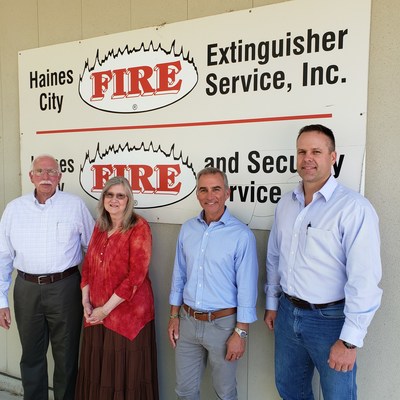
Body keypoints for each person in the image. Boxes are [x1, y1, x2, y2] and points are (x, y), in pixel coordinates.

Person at [264, 124, 383, 400]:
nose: (308, 158)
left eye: (316, 151)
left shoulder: (353, 208)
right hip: (287, 313)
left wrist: (349, 340)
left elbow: (364, 278)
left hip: (331, 322)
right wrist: (272, 304)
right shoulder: (285, 204)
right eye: (302, 151)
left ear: (333, 157)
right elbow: (274, 256)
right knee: (290, 390)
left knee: (338, 396)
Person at [0, 154, 95, 400]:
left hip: (65, 288)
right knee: (31, 356)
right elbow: (3, 257)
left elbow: (93, 250)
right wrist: (1, 300)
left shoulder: (74, 206)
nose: (46, 177)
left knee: (66, 356)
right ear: (31, 176)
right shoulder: (14, 209)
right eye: (40, 171)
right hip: (26, 289)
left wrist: (90, 293)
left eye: (51, 172)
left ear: (59, 177)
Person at [168, 167, 258, 400]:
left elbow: (247, 289)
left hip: (223, 326)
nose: (210, 196)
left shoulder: (241, 235)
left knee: (225, 394)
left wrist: (241, 333)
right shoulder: (188, 229)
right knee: (185, 392)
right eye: (204, 190)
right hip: (187, 322)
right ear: (197, 194)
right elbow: (179, 275)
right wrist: (174, 316)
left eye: (216, 189)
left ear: (227, 192)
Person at [75, 176, 159, 400]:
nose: (114, 200)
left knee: (124, 377)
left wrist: (105, 309)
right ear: (103, 199)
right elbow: (88, 269)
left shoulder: (139, 227)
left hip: (127, 318)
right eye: (109, 195)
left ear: (128, 200)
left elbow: (135, 277)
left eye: (120, 195)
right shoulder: (100, 227)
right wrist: (86, 302)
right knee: (98, 375)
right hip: (96, 314)